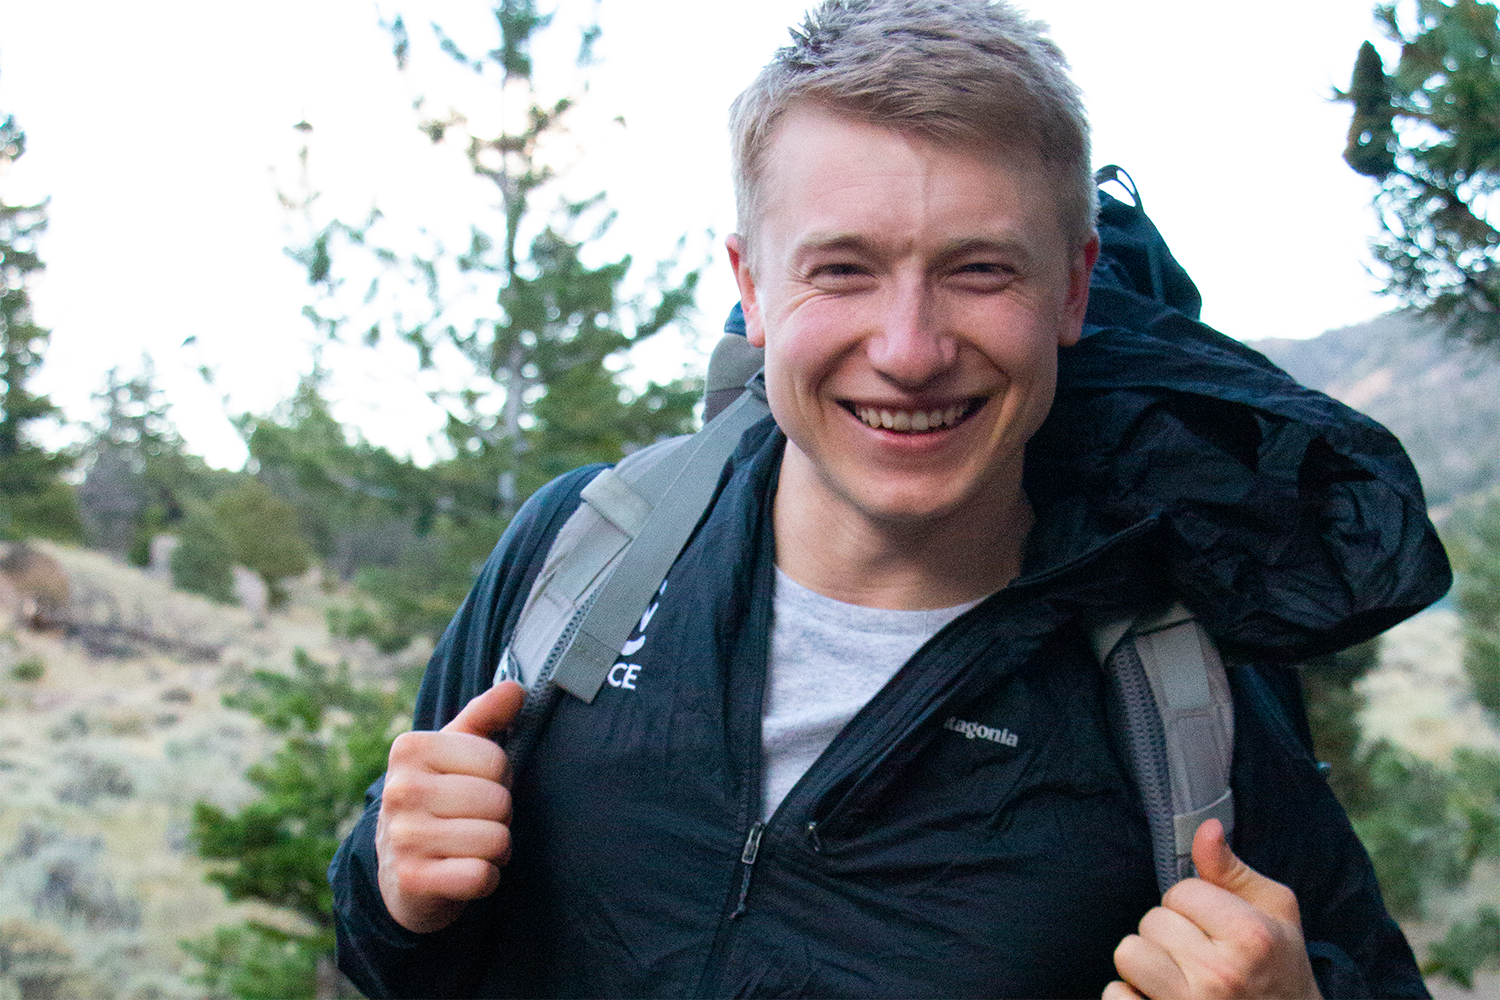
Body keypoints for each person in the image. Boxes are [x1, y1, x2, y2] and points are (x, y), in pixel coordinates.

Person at [330, 1, 1450, 997]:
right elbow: (398, 962)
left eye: (980, 270)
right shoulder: (578, 554)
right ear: (752, 286)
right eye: (843, 269)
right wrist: (393, 891)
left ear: (1071, 288)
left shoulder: (1170, 680)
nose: (910, 351)